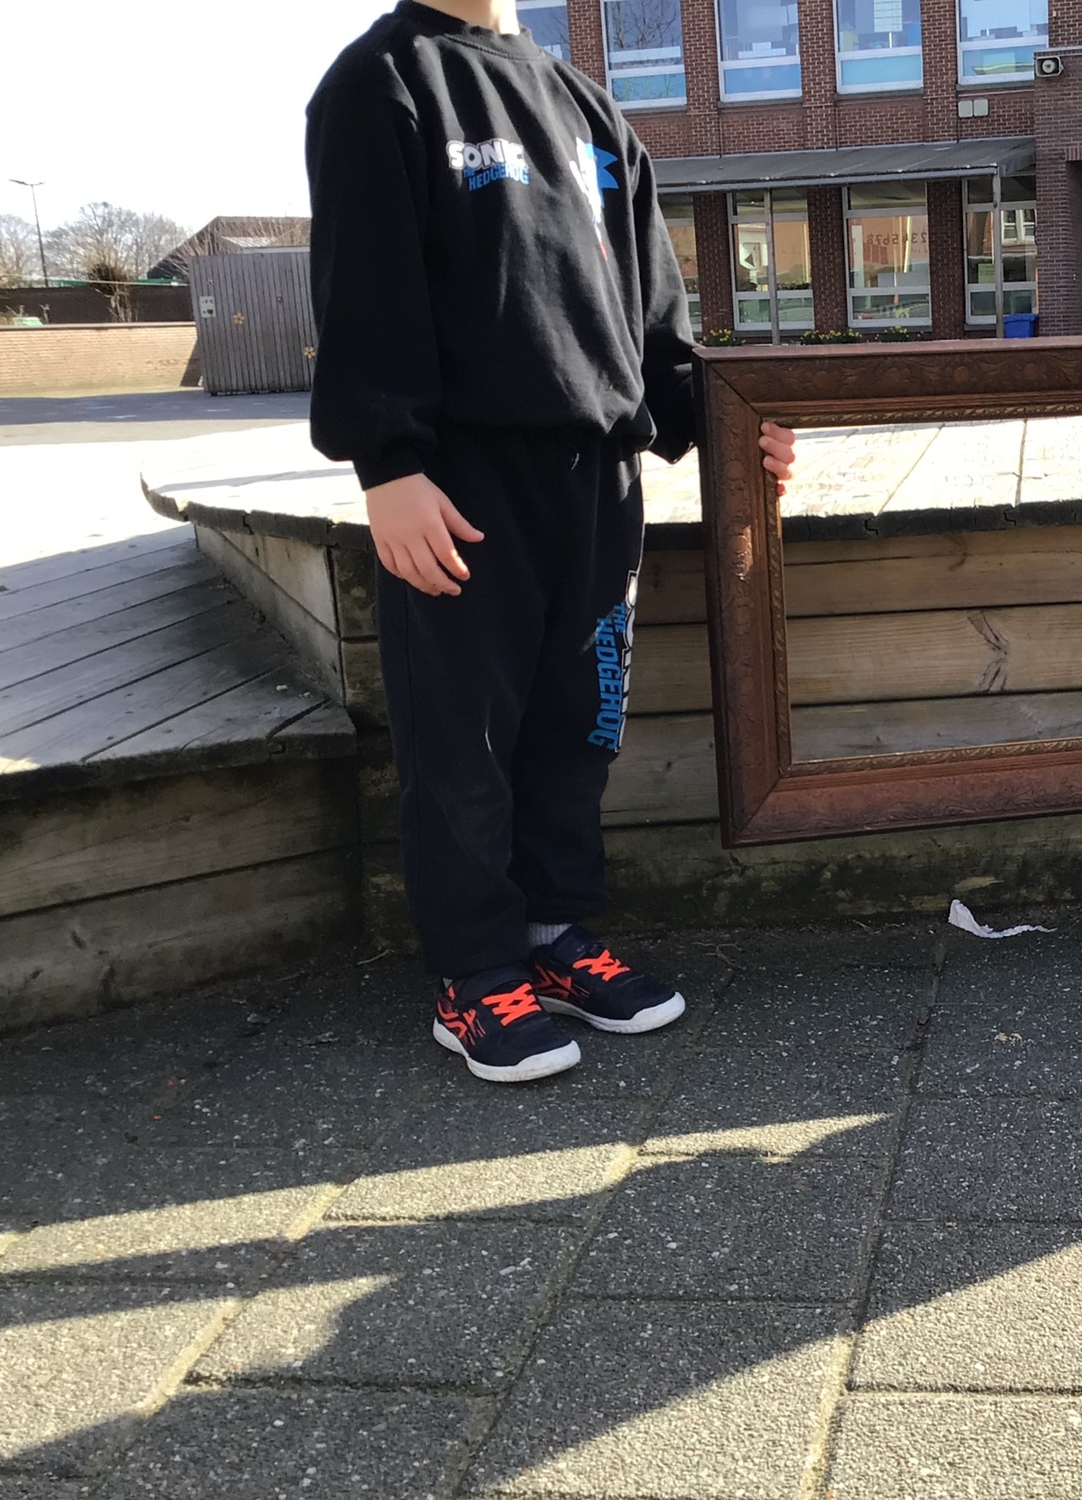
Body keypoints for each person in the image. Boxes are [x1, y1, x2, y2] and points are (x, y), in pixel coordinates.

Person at [307, 0, 796, 1082]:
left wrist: (724, 425)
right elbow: (363, 285)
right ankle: (474, 973)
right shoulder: (382, 82)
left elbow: (652, 311)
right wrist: (387, 463)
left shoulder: (588, 106)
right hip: (460, 483)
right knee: (463, 739)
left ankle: (553, 936)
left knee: (580, 725)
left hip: (597, 481)